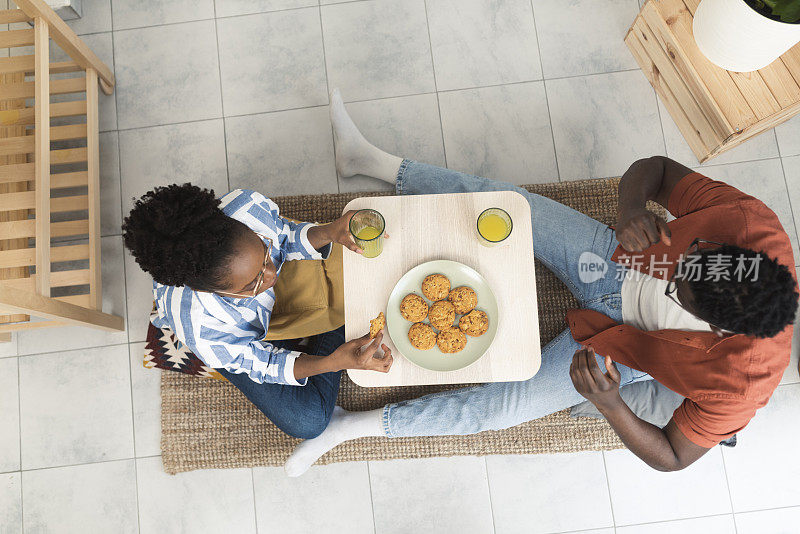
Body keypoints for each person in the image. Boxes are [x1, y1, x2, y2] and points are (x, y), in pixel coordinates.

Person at [283, 89, 798, 476]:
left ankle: (351, 427)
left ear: (715, 327)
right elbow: (657, 168)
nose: (674, 268)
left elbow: (673, 456)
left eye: (679, 288)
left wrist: (610, 404)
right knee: (506, 205)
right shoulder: (748, 221)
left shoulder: (741, 385)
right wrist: (631, 211)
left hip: (629, 354)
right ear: (727, 250)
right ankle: (371, 161)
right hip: (614, 259)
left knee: (499, 409)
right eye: (692, 255)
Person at [122, 182, 393, 440]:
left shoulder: (246, 207)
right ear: (212, 292)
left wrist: (330, 232)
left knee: (361, 287)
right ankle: (334, 335)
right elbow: (265, 365)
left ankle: (332, 329)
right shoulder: (204, 331)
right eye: (253, 283)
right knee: (307, 421)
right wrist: (334, 362)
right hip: (240, 342)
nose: (273, 274)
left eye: (264, 253)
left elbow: (286, 237)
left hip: (266, 315)